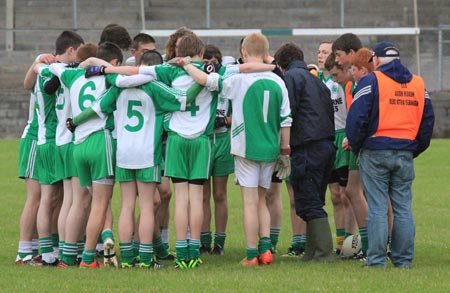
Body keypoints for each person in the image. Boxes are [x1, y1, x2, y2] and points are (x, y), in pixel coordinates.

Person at [180, 32, 292, 266]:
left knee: (250, 202)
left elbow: (207, 81)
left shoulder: (239, 80)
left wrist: (188, 65)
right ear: (265, 53)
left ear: (243, 53)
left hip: (246, 147)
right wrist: (285, 151)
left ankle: (252, 254)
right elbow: (286, 120)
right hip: (271, 148)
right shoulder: (279, 81)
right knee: (262, 200)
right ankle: (265, 249)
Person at [346, 41, 435, 268]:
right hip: (404, 151)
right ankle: (403, 260)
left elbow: (356, 119)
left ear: (375, 60)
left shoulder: (371, 81)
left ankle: (376, 261)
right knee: (403, 207)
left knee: (377, 208)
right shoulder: (418, 84)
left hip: (375, 150)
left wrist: (357, 146)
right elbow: (427, 123)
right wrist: (414, 148)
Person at [49, 41, 124, 268]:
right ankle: (90, 258)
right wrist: (102, 66)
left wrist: (43, 59)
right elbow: (125, 78)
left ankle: (69, 256)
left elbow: (53, 68)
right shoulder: (107, 77)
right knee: (101, 202)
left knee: (83, 201)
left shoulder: (72, 77)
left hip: (78, 144)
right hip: (100, 140)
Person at [274, 42, 335, 262]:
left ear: (281, 65)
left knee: (308, 202)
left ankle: (323, 254)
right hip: (326, 146)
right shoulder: (316, 81)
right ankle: (311, 252)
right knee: (314, 201)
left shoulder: (290, 79)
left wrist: (282, 147)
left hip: (308, 147)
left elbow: (287, 112)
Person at [30, 31, 85, 266]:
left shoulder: (48, 70)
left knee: (56, 200)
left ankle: (53, 252)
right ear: (72, 50)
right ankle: (67, 252)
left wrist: (41, 59)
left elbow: (34, 71)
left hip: (51, 140)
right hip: (63, 139)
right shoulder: (71, 73)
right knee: (70, 199)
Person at [332, 33, 370, 259]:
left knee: (361, 192)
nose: (337, 61)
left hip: (365, 144)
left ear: (352, 55)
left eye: (338, 55)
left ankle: (372, 245)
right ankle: (370, 245)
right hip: (358, 142)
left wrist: (354, 136)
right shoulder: (353, 84)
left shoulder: (366, 81)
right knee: (354, 192)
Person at [318, 41, 355, 256]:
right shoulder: (319, 80)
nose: (321, 55)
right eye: (319, 52)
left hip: (344, 137)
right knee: (334, 194)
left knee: (347, 193)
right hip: (328, 139)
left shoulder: (342, 80)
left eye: (326, 52)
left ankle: (351, 243)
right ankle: (341, 243)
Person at [199, 44, 233, 255]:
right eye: (206, 61)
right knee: (202, 194)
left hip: (221, 140)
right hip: (203, 140)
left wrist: (226, 120)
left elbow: (239, 111)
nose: (210, 64)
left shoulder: (227, 81)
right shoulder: (199, 81)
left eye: (214, 60)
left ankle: (219, 242)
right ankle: (203, 240)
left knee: (220, 194)